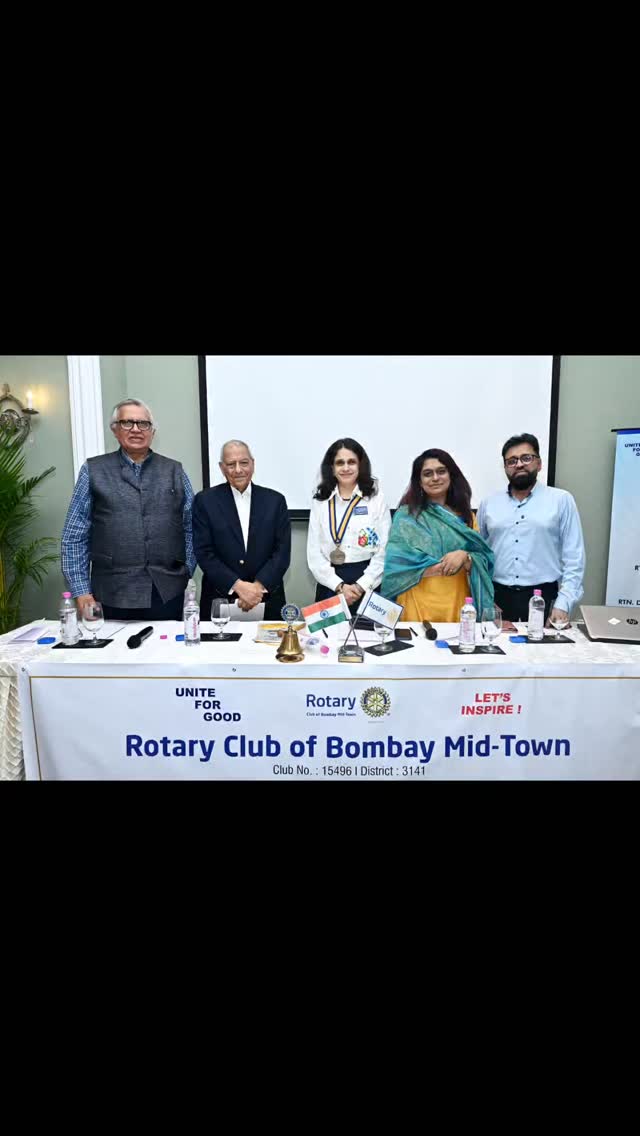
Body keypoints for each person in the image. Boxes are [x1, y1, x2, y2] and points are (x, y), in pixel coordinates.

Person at [61, 398, 196, 621]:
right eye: (127, 423)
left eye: (143, 424)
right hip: (110, 593)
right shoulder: (93, 471)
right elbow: (74, 535)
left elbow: (192, 527)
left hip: (166, 592)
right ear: (115, 430)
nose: (136, 429)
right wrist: (81, 590)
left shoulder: (175, 471)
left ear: (152, 431)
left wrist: (186, 569)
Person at [477, 433, 585, 625]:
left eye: (526, 458)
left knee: (542, 646)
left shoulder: (561, 500)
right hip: (497, 600)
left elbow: (574, 558)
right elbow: (478, 556)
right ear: (505, 468)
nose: (519, 464)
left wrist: (563, 604)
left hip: (544, 599)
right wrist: (486, 600)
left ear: (539, 463)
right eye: (512, 461)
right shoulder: (489, 503)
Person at [381, 449, 494, 622]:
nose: (435, 478)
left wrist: (465, 557)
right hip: (416, 602)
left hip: (457, 602)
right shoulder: (407, 517)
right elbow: (396, 567)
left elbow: (484, 560)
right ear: (419, 481)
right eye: (427, 474)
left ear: (451, 476)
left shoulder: (467, 517)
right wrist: (442, 566)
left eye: (441, 471)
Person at [192, 440, 291, 621]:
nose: (238, 470)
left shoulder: (275, 501)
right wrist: (238, 586)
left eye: (244, 463)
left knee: (268, 642)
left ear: (253, 464)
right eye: (231, 464)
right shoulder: (205, 501)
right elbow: (204, 553)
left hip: (267, 597)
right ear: (222, 468)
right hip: (219, 597)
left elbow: (282, 552)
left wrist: (256, 589)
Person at [307, 438, 391, 611]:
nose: (346, 468)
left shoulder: (376, 499)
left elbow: (385, 550)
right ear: (332, 468)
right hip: (331, 584)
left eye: (351, 462)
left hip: (369, 583)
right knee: (330, 630)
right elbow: (314, 553)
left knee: (369, 630)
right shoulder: (320, 501)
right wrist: (339, 586)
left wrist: (361, 586)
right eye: (340, 463)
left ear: (361, 465)